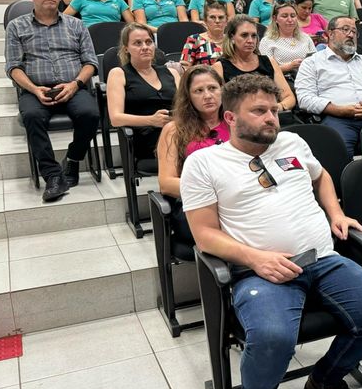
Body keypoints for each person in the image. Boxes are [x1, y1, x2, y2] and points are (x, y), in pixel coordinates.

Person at [181, 74, 362, 389]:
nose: (271, 118)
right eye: (259, 111)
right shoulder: (204, 163)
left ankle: (324, 381)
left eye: (274, 110)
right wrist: (256, 259)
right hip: (260, 272)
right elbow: (204, 234)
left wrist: (336, 213)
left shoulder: (292, 142)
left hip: (323, 259)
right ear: (230, 117)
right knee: (273, 339)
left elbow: (321, 177)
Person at [7, 0, 100, 202]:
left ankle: (73, 159)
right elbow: (13, 67)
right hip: (36, 90)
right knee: (31, 116)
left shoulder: (76, 24)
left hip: (73, 86)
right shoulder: (16, 26)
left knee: (91, 113)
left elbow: (90, 62)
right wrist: (34, 88)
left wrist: (75, 84)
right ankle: (53, 176)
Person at [155, 66, 228, 241]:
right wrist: (216, 190)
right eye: (199, 91)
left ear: (222, 90)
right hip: (197, 202)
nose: (207, 95)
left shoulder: (236, 123)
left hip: (237, 201)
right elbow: (166, 184)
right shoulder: (174, 130)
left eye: (212, 88)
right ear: (188, 96)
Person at [295, 16, 362, 157]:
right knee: (339, 153)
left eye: (354, 31)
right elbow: (305, 99)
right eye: (345, 29)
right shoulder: (312, 62)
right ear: (330, 33)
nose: (351, 35)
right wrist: (338, 110)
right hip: (336, 119)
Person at [106, 23, 179, 165]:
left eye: (148, 42)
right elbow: (115, 118)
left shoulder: (172, 73)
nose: (145, 47)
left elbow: (187, 107)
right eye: (137, 43)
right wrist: (151, 120)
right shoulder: (118, 74)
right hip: (145, 137)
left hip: (177, 132)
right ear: (126, 48)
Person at [212, 15, 297, 114]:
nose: (250, 40)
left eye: (254, 36)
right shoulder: (220, 67)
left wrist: (276, 107)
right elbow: (218, 104)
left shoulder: (269, 62)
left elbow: (289, 97)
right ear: (232, 38)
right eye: (244, 35)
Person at [259, 1, 317, 86]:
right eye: (284, 16)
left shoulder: (305, 38)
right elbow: (266, 70)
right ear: (275, 19)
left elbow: (316, 61)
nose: (290, 20)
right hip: (282, 81)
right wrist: (288, 66)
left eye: (293, 16)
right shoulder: (267, 41)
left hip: (308, 79)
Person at [181, 1, 228, 68]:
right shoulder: (194, 39)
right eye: (212, 17)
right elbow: (184, 67)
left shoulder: (232, 40)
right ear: (205, 21)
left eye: (221, 17)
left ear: (226, 21)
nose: (217, 21)